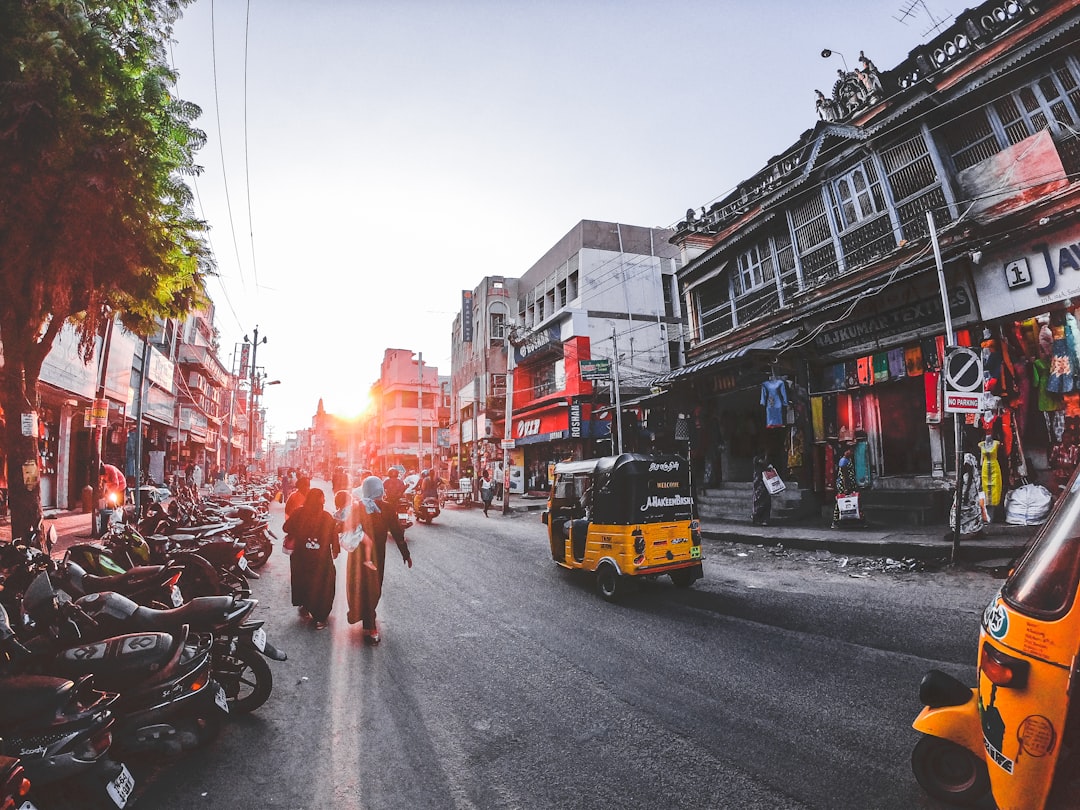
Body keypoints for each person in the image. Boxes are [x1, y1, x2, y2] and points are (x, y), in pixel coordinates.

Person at [346, 476, 412, 644]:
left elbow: (346, 527)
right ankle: (370, 626)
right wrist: (405, 554)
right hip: (375, 557)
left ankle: (365, 619)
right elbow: (397, 532)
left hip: (357, 556)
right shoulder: (385, 508)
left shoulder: (359, 507)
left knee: (361, 587)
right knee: (372, 589)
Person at [281, 487, 339, 629]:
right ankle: (321, 617)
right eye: (323, 497)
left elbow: (286, 527)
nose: (325, 500)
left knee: (304, 582)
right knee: (323, 585)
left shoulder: (298, 513)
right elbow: (334, 536)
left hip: (301, 557)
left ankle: (306, 605)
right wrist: (335, 550)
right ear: (319, 500)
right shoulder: (326, 517)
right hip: (321, 559)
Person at [949, 452, 985, 539]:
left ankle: (967, 530)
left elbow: (969, 476)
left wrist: (965, 494)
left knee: (961, 510)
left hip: (967, 490)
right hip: (968, 489)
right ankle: (969, 530)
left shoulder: (967, 458)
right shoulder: (969, 457)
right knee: (969, 510)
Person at [751, 454, 771, 526]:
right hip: (759, 483)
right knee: (759, 501)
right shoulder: (757, 458)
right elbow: (763, 463)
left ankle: (764, 519)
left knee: (766, 501)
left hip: (765, 483)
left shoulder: (761, 461)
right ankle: (757, 518)